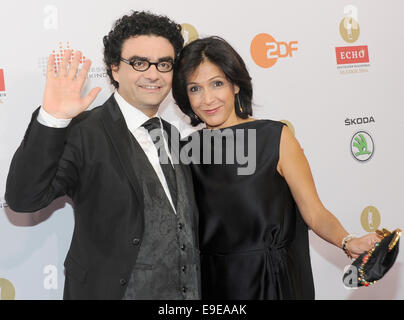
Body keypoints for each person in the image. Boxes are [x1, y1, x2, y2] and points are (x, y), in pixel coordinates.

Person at [5, 11, 201, 300]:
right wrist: (52, 119)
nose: (153, 73)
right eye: (138, 62)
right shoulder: (84, 131)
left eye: (164, 64)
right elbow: (24, 198)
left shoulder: (172, 134)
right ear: (114, 68)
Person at [172, 36, 381, 299]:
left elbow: (314, 213)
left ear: (235, 84)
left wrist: (348, 241)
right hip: (214, 285)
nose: (207, 99)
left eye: (217, 84)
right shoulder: (185, 151)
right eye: (195, 89)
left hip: (271, 283)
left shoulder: (275, 138)